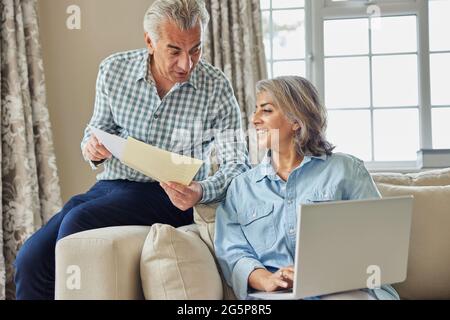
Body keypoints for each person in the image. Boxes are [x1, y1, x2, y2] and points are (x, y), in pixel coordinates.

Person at [14, 0, 249, 300]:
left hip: (171, 196)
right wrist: (92, 147)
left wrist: (201, 191)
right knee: (30, 258)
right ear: (149, 41)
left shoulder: (216, 87)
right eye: (174, 51)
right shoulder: (114, 70)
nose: (186, 64)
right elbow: (96, 129)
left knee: (78, 221)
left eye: (195, 50)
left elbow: (237, 164)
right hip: (111, 187)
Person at [214, 76, 400, 300]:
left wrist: (324, 273)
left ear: (296, 121)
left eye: (266, 110)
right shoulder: (241, 188)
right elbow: (232, 251)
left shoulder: (346, 170)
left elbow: (378, 240)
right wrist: (267, 279)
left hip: (343, 291)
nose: (254, 119)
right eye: (256, 110)